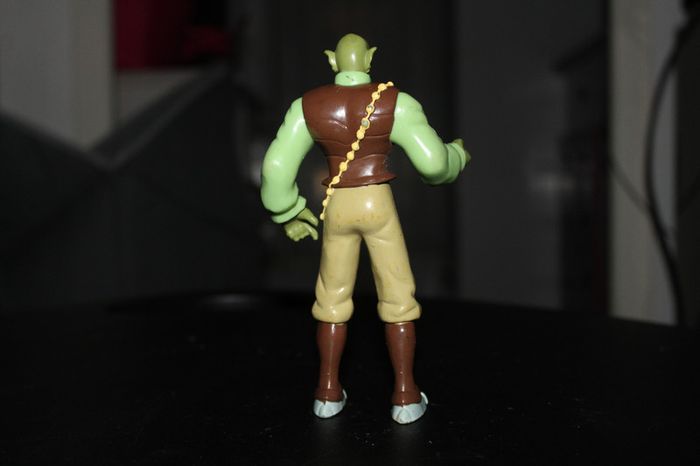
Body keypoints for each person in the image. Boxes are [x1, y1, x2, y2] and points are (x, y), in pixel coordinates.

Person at [260, 33, 469, 424]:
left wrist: (288, 211)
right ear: (370, 58)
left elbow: (275, 166)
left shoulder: (307, 105)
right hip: (378, 204)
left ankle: (327, 392)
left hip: (337, 206)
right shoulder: (395, 102)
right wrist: (457, 155)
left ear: (332, 61)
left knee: (331, 299)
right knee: (398, 297)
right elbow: (434, 164)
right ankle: (405, 395)